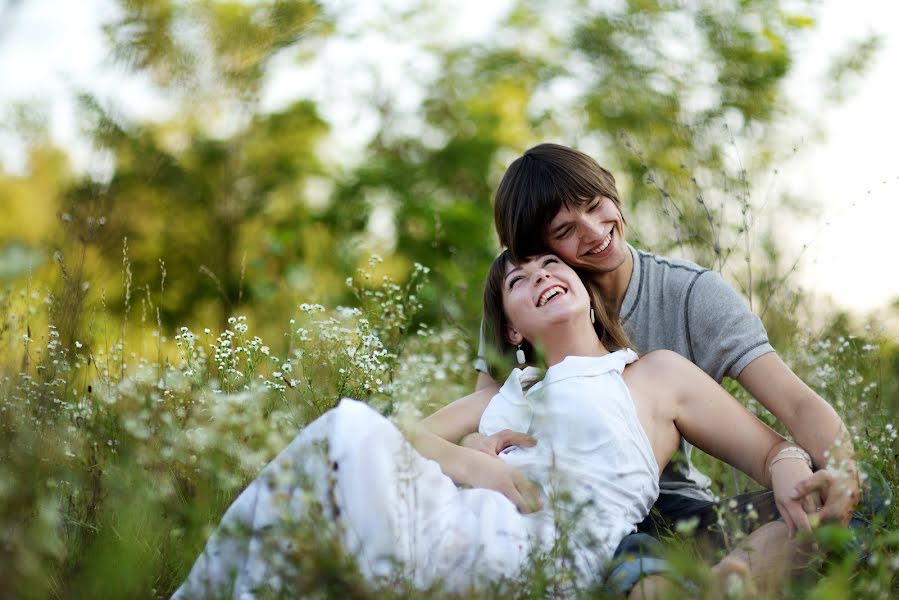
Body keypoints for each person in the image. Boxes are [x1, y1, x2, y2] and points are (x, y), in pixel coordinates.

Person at [173, 252, 815, 599]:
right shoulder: (514, 389)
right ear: (511, 329)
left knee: (343, 437)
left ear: (585, 290)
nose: (541, 278)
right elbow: (396, 431)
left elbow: (769, 451)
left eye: (550, 267)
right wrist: (476, 462)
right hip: (463, 516)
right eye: (520, 281)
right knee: (341, 437)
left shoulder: (654, 376)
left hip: (547, 551)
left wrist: (789, 467)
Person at [469, 143, 860, 540]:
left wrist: (841, 474)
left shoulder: (690, 292)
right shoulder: (528, 309)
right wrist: (480, 452)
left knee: (845, 503)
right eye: (565, 230)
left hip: (672, 503)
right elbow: (483, 412)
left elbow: (795, 402)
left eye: (593, 204)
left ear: (610, 188)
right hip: (560, 505)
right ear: (534, 249)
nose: (593, 231)